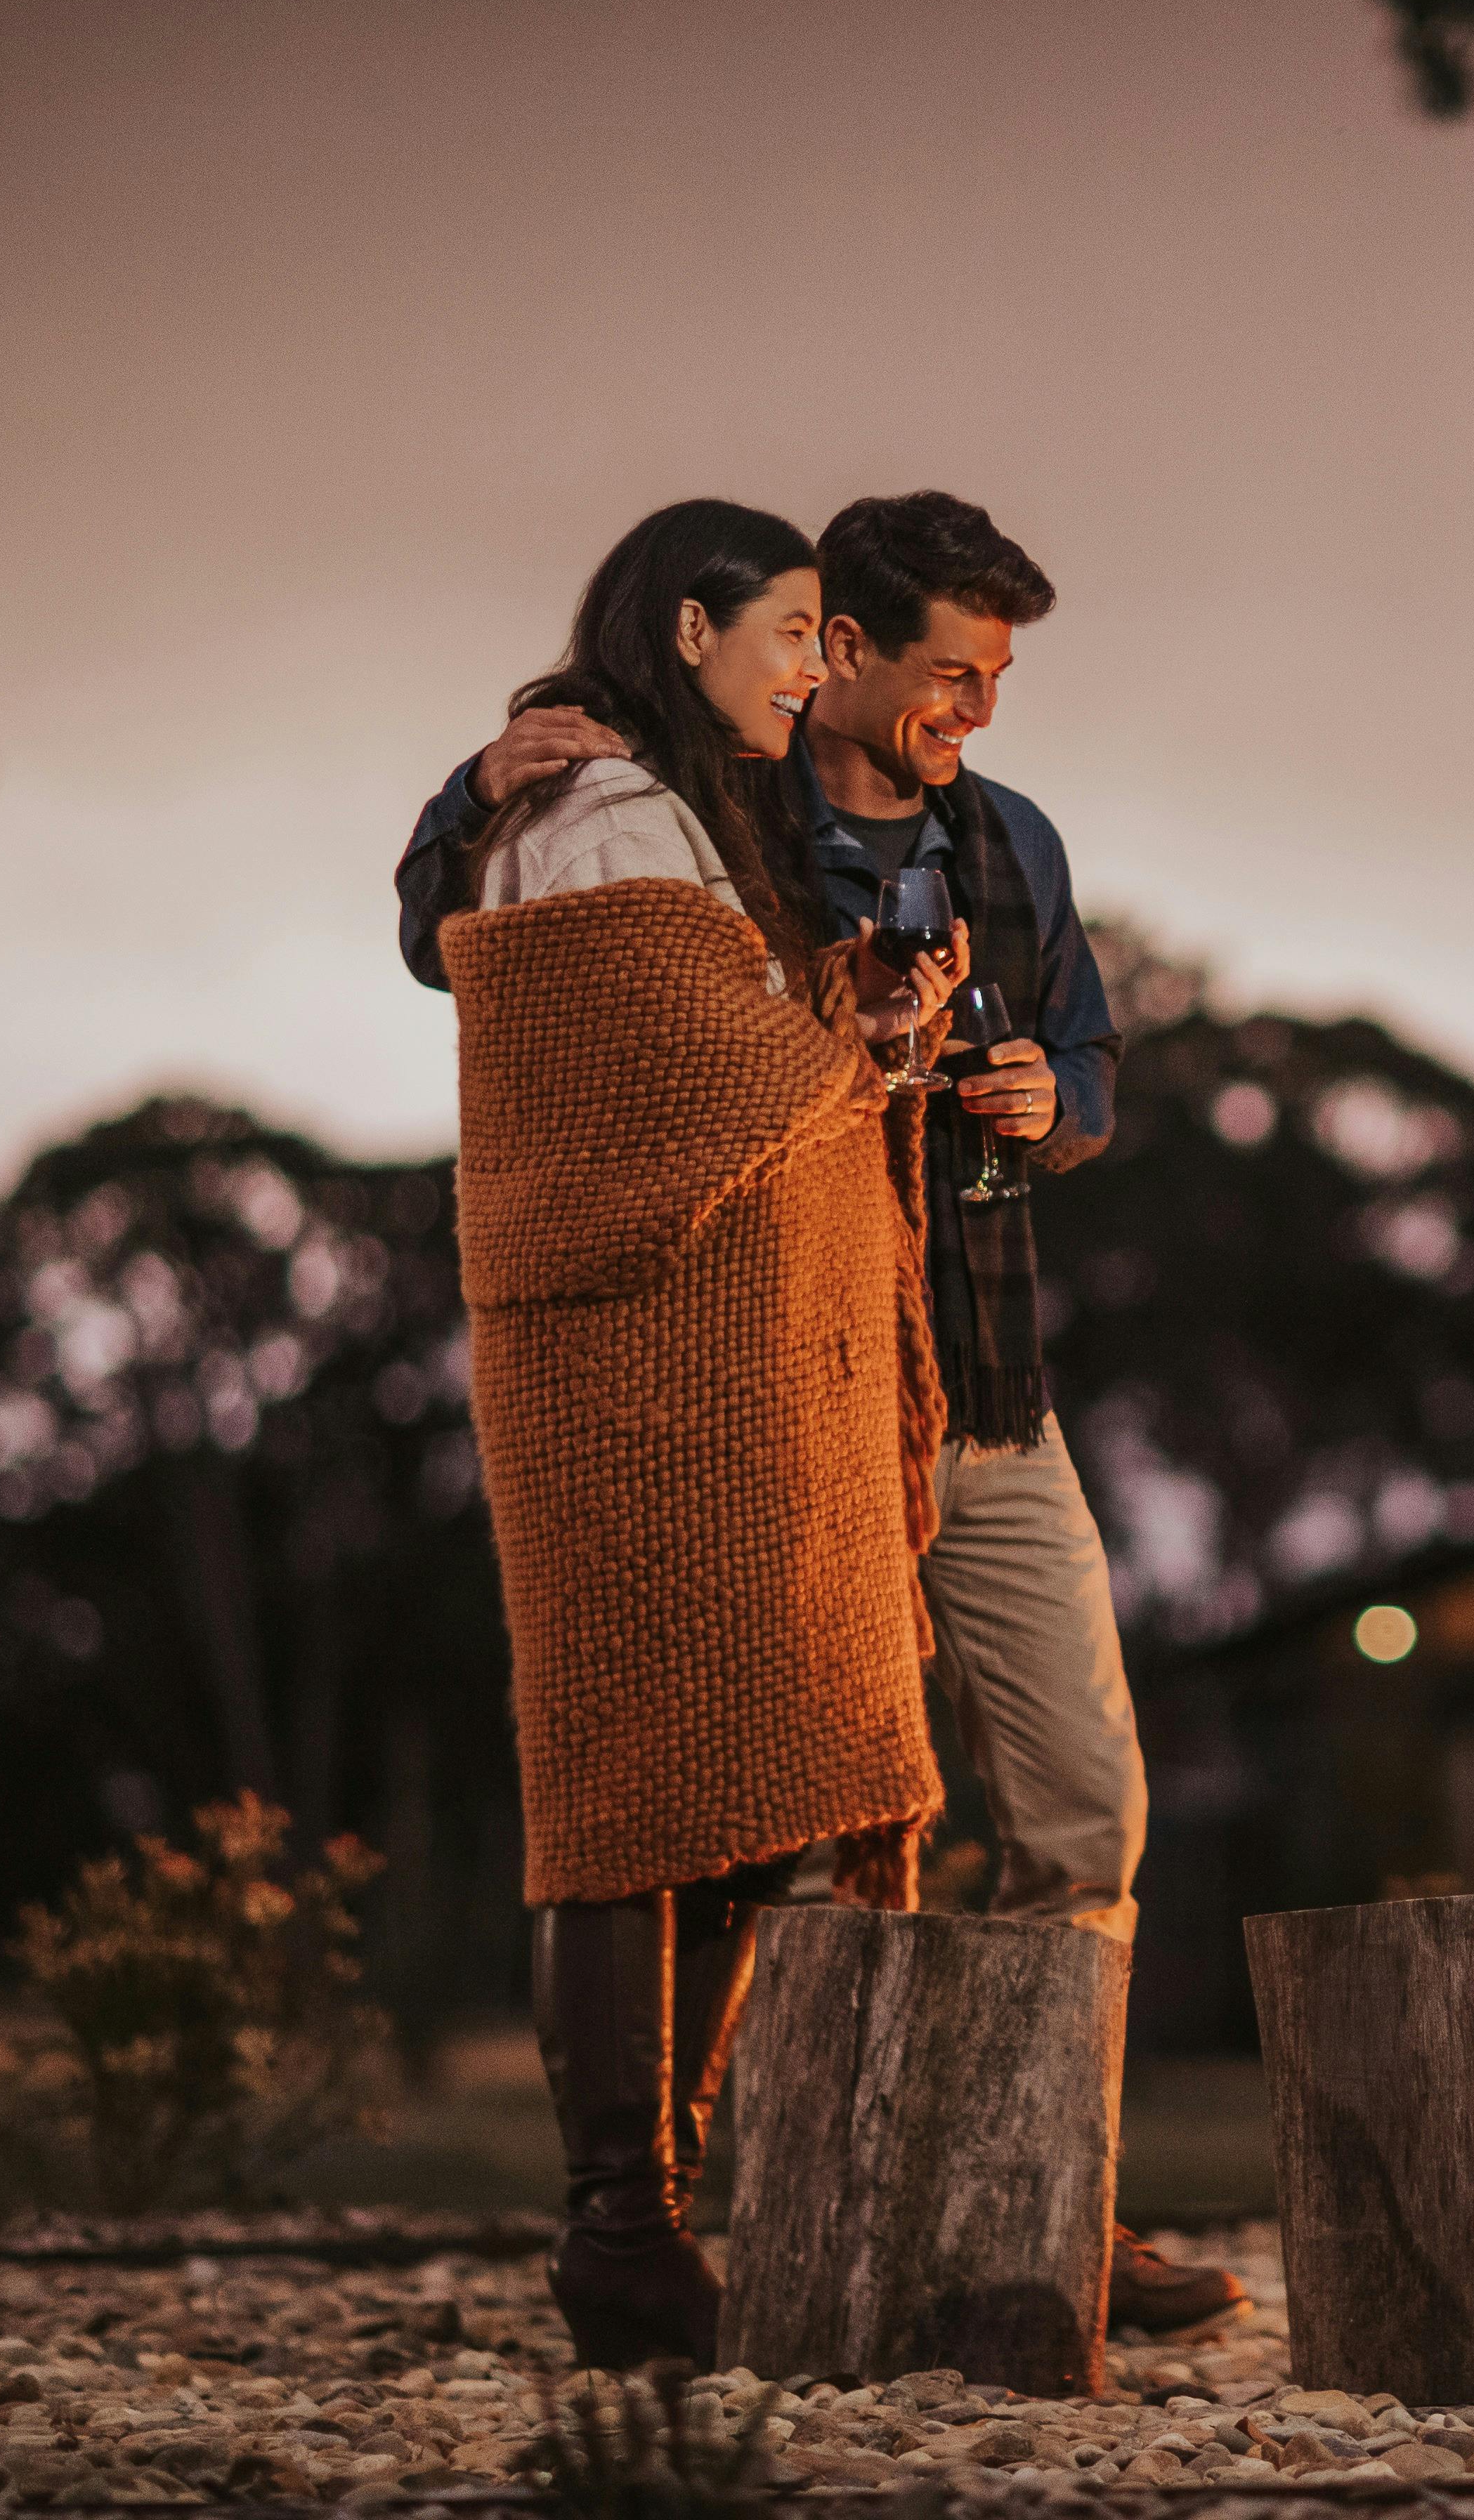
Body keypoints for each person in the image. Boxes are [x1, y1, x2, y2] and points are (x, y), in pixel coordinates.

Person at [396, 492, 1244, 2337]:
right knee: (800, 1794)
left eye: (997, 676)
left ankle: (1047, 2202)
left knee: (1078, 1806)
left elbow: (1090, 1056)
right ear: (836, 649)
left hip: (978, 1376)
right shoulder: (704, 801)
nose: (979, 711)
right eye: (951, 670)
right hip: (765, 1387)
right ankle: (805, 2212)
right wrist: (469, 793)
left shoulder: (1008, 843)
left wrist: (1044, 1099)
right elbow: (473, 943)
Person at [441, 497, 968, 2370]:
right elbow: (675, 1068)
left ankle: (654, 2200)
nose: (818, 666)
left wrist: (856, 1019)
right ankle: (623, 2223)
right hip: (630, 1373)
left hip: (728, 1376)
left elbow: (756, 1054)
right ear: (685, 628)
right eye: (794, 629)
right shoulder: (589, 807)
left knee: (743, 1794)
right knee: (632, 1795)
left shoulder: (692, 818)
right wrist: (844, 1042)